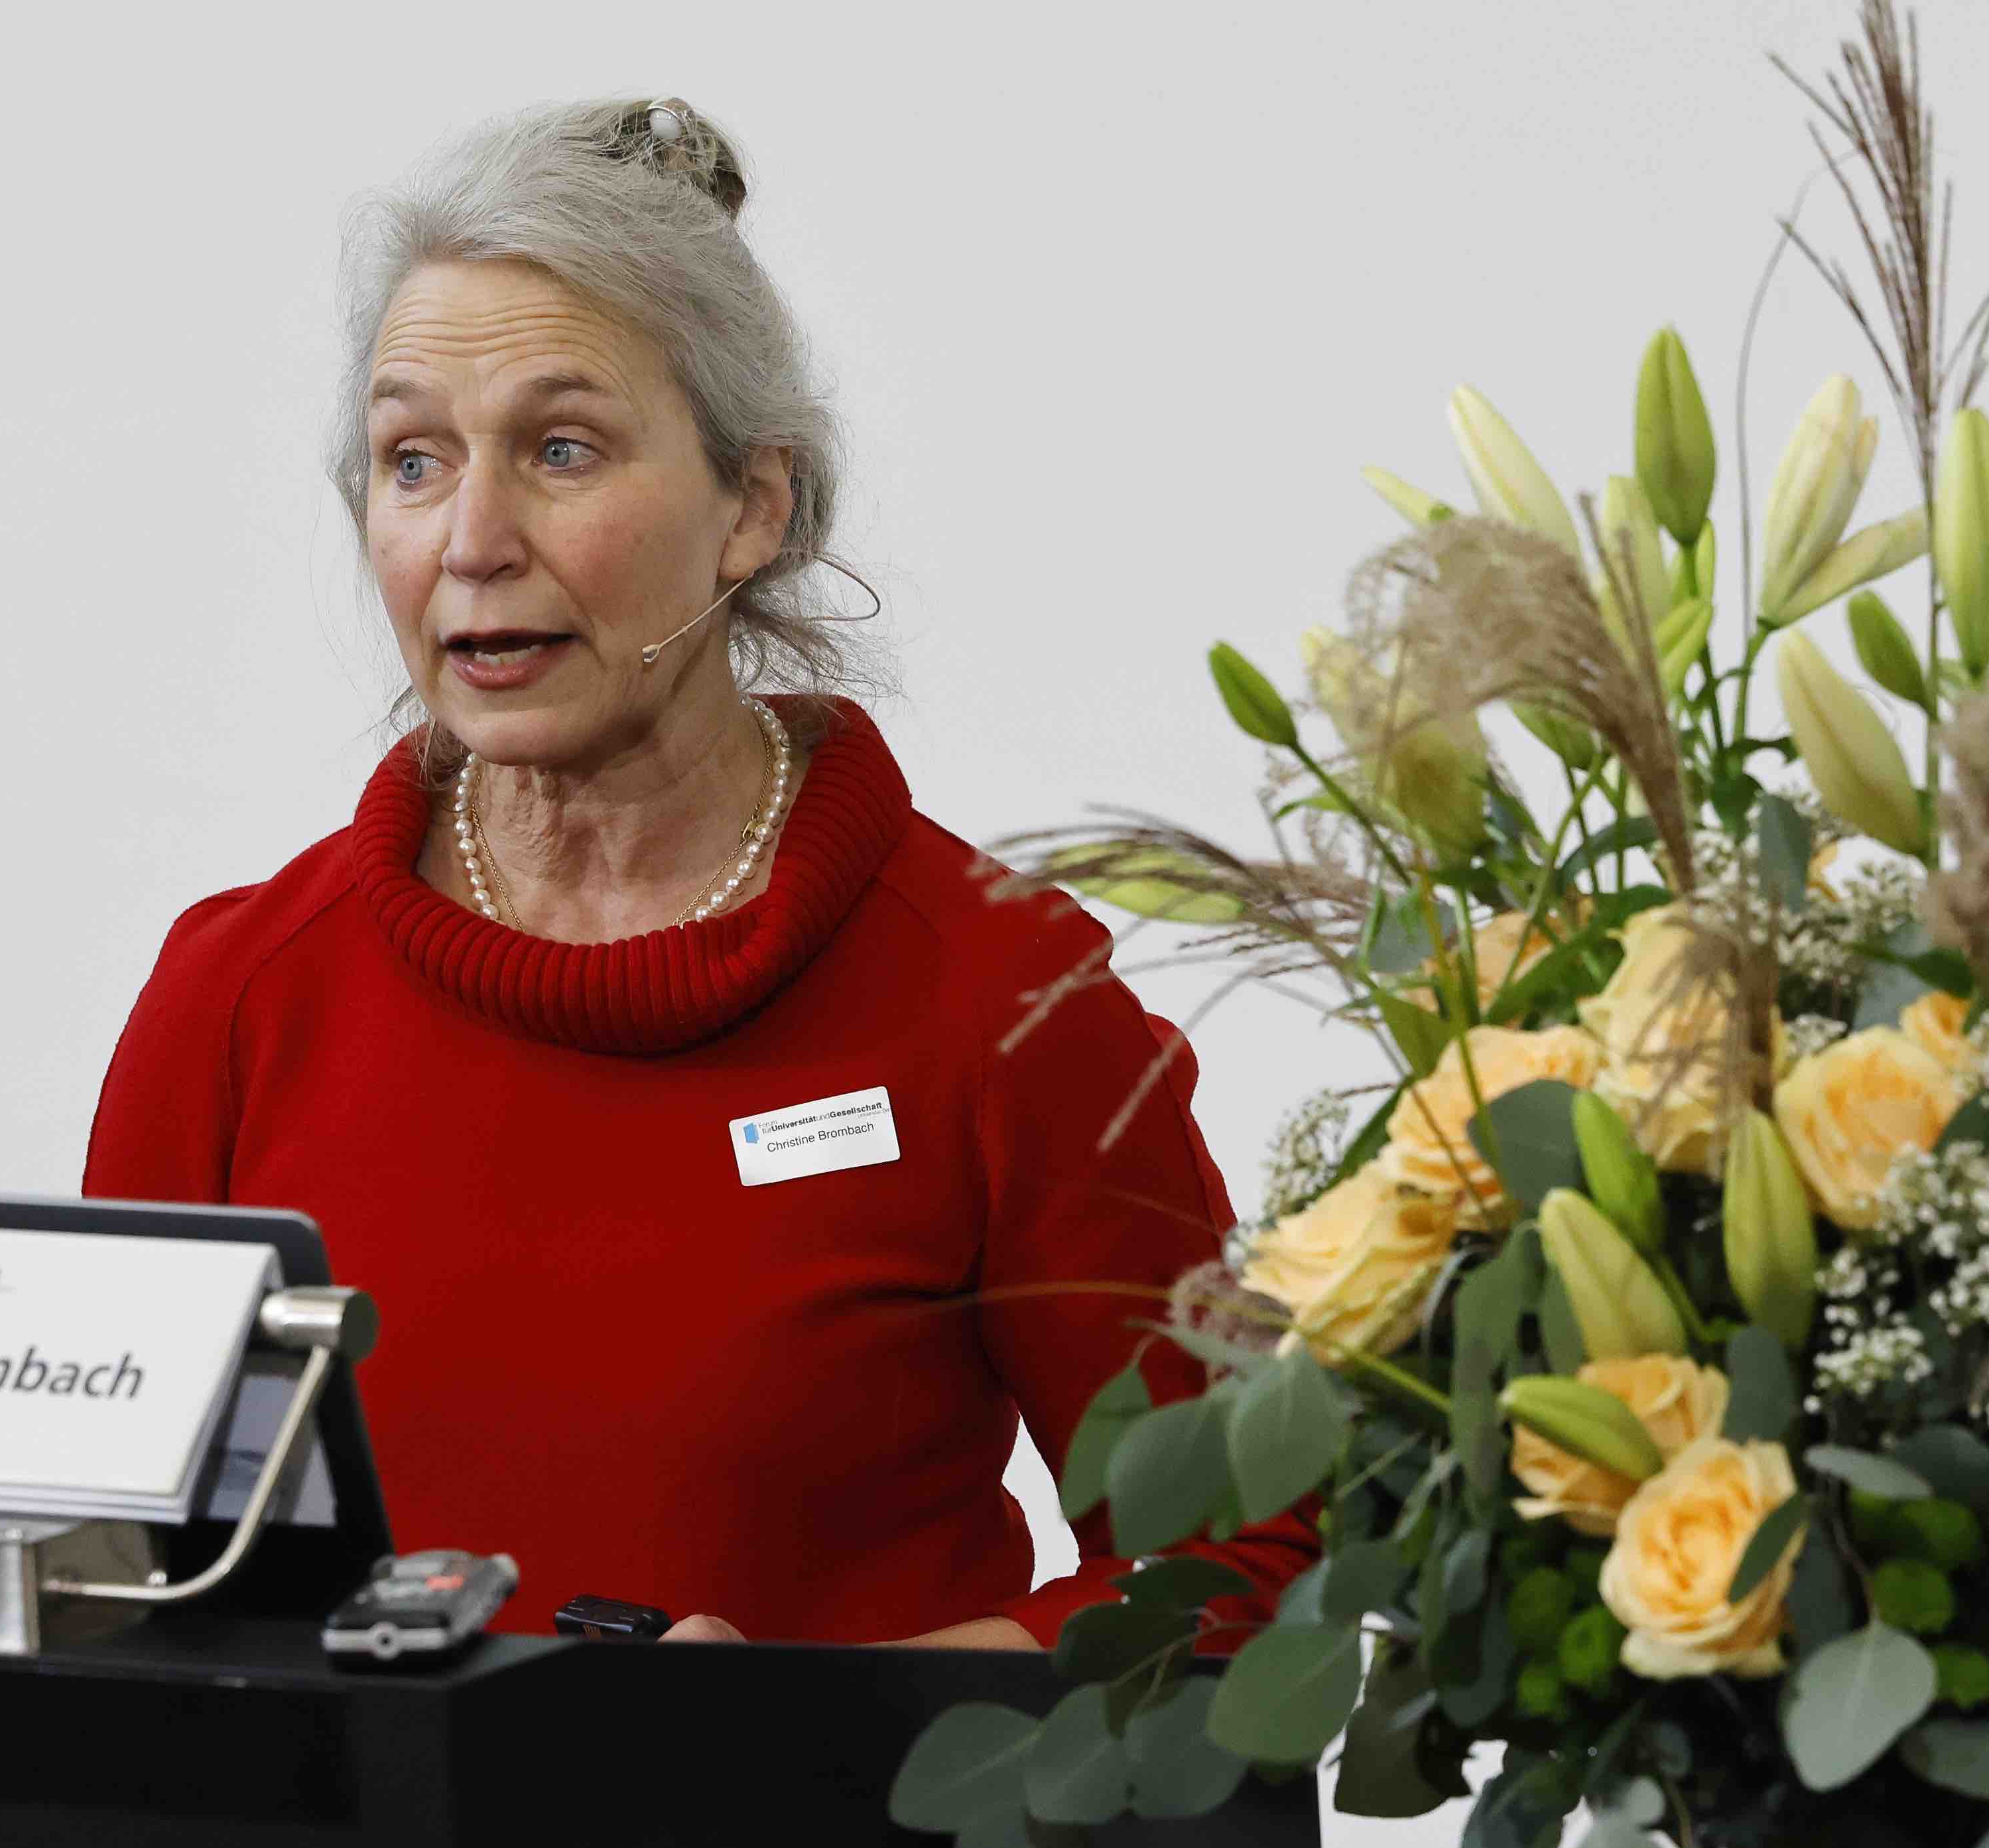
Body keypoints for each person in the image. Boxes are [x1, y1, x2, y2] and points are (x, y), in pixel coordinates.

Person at [84, 97, 1295, 1646]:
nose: (472, 537)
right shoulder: (239, 998)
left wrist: (797, 1746)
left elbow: (1236, 1572)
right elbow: (116, 1579)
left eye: (562, 449)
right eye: (411, 461)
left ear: (754, 507)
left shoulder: (998, 996)